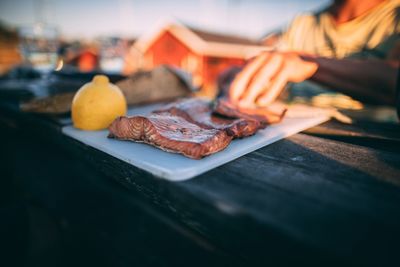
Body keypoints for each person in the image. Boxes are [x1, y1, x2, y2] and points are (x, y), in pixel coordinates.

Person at [229, 0, 400, 109]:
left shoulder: (394, 16)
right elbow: (274, 78)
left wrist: (309, 66)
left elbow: (394, 81)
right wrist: (247, 78)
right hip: (287, 131)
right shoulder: (302, 23)